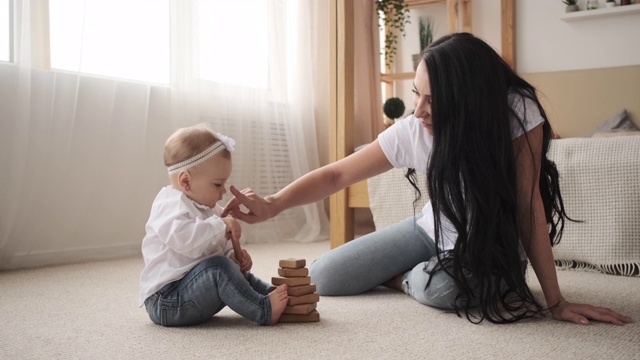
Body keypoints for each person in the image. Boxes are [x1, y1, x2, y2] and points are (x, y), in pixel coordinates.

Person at [222, 33, 632, 326]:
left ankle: (414, 276)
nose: (419, 111)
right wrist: (274, 204)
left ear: (469, 102)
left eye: (433, 101)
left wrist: (556, 302)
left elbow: (528, 205)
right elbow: (338, 173)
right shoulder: (414, 129)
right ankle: (414, 274)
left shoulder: (516, 114)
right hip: (431, 230)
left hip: (489, 249)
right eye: (417, 94)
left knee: (447, 292)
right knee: (325, 276)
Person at [139, 123, 288, 327]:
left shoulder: (210, 209)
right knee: (219, 268)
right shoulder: (169, 204)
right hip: (167, 301)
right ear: (186, 181)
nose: (223, 191)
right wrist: (221, 226)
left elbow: (216, 247)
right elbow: (187, 242)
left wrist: (234, 257)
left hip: (192, 293)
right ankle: (263, 309)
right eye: (218, 184)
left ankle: (268, 293)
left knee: (233, 271)